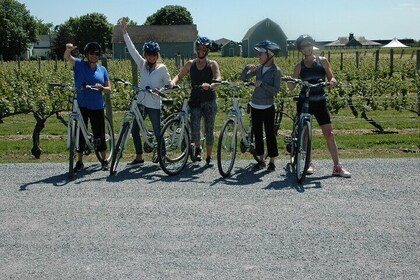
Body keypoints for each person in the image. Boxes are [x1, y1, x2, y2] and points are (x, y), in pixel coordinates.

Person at [287, 34, 351, 178]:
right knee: (304, 134)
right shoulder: (299, 66)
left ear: (312, 45)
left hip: (320, 101)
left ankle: (337, 166)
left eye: (308, 44)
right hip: (305, 103)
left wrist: (333, 81)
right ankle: (308, 162)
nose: (307, 48)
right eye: (303, 46)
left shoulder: (322, 61)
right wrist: (290, 82)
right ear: (300, 49)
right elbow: (292, 86)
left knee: (329, 134)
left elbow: (331, 76)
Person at [121, 17, 171, 165]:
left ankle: (162, 156)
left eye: (154, 54)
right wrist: (124, 31)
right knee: (134, 129)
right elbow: (131, 49)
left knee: (157, 131)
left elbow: (169, 87)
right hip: (141, 102)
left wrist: (160, 90)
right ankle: (139, 156)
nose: (151, 57)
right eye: (149, 54)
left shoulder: (162, 68)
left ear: (157, 55)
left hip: (155, 104)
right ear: (145, 55)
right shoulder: (142, 64)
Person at [170, 36, 221, 166]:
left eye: (204, 49)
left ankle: (209, 156)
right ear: (196, 49)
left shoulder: (212, 64)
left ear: (207, 50)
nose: (201, 50)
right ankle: (198, 149)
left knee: (209, 129)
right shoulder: (190, 64)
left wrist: (210, 85)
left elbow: (218, 78)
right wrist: (173, 82)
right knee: (195, 127)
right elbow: (179, 76)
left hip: (209, 100)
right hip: (195, 99)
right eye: (199, 48)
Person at [64, 41, 111, 172]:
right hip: (82, 105)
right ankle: (79, 161)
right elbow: (68, 57)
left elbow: (109, 89)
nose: (94, 56)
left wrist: (102, 87)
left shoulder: (102, 70)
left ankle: (104, 160)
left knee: (99, 133)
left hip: (96, 106)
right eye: (91, 53)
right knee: (79, 133)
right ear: (87, 54)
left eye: (97, 54)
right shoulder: (80, 65)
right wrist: (68, 50)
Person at [240, 40, 282, 171]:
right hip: (255, 105)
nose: (258, 56)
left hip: (268, 106)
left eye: (261, 54)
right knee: (257, 134)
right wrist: (247, 67)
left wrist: (262, 84)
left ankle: (272, 161)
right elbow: (243, 78)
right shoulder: (258, 69)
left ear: (269, 54)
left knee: (270, 134)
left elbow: (276, 90)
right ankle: (261, 160)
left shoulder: (276, 71)